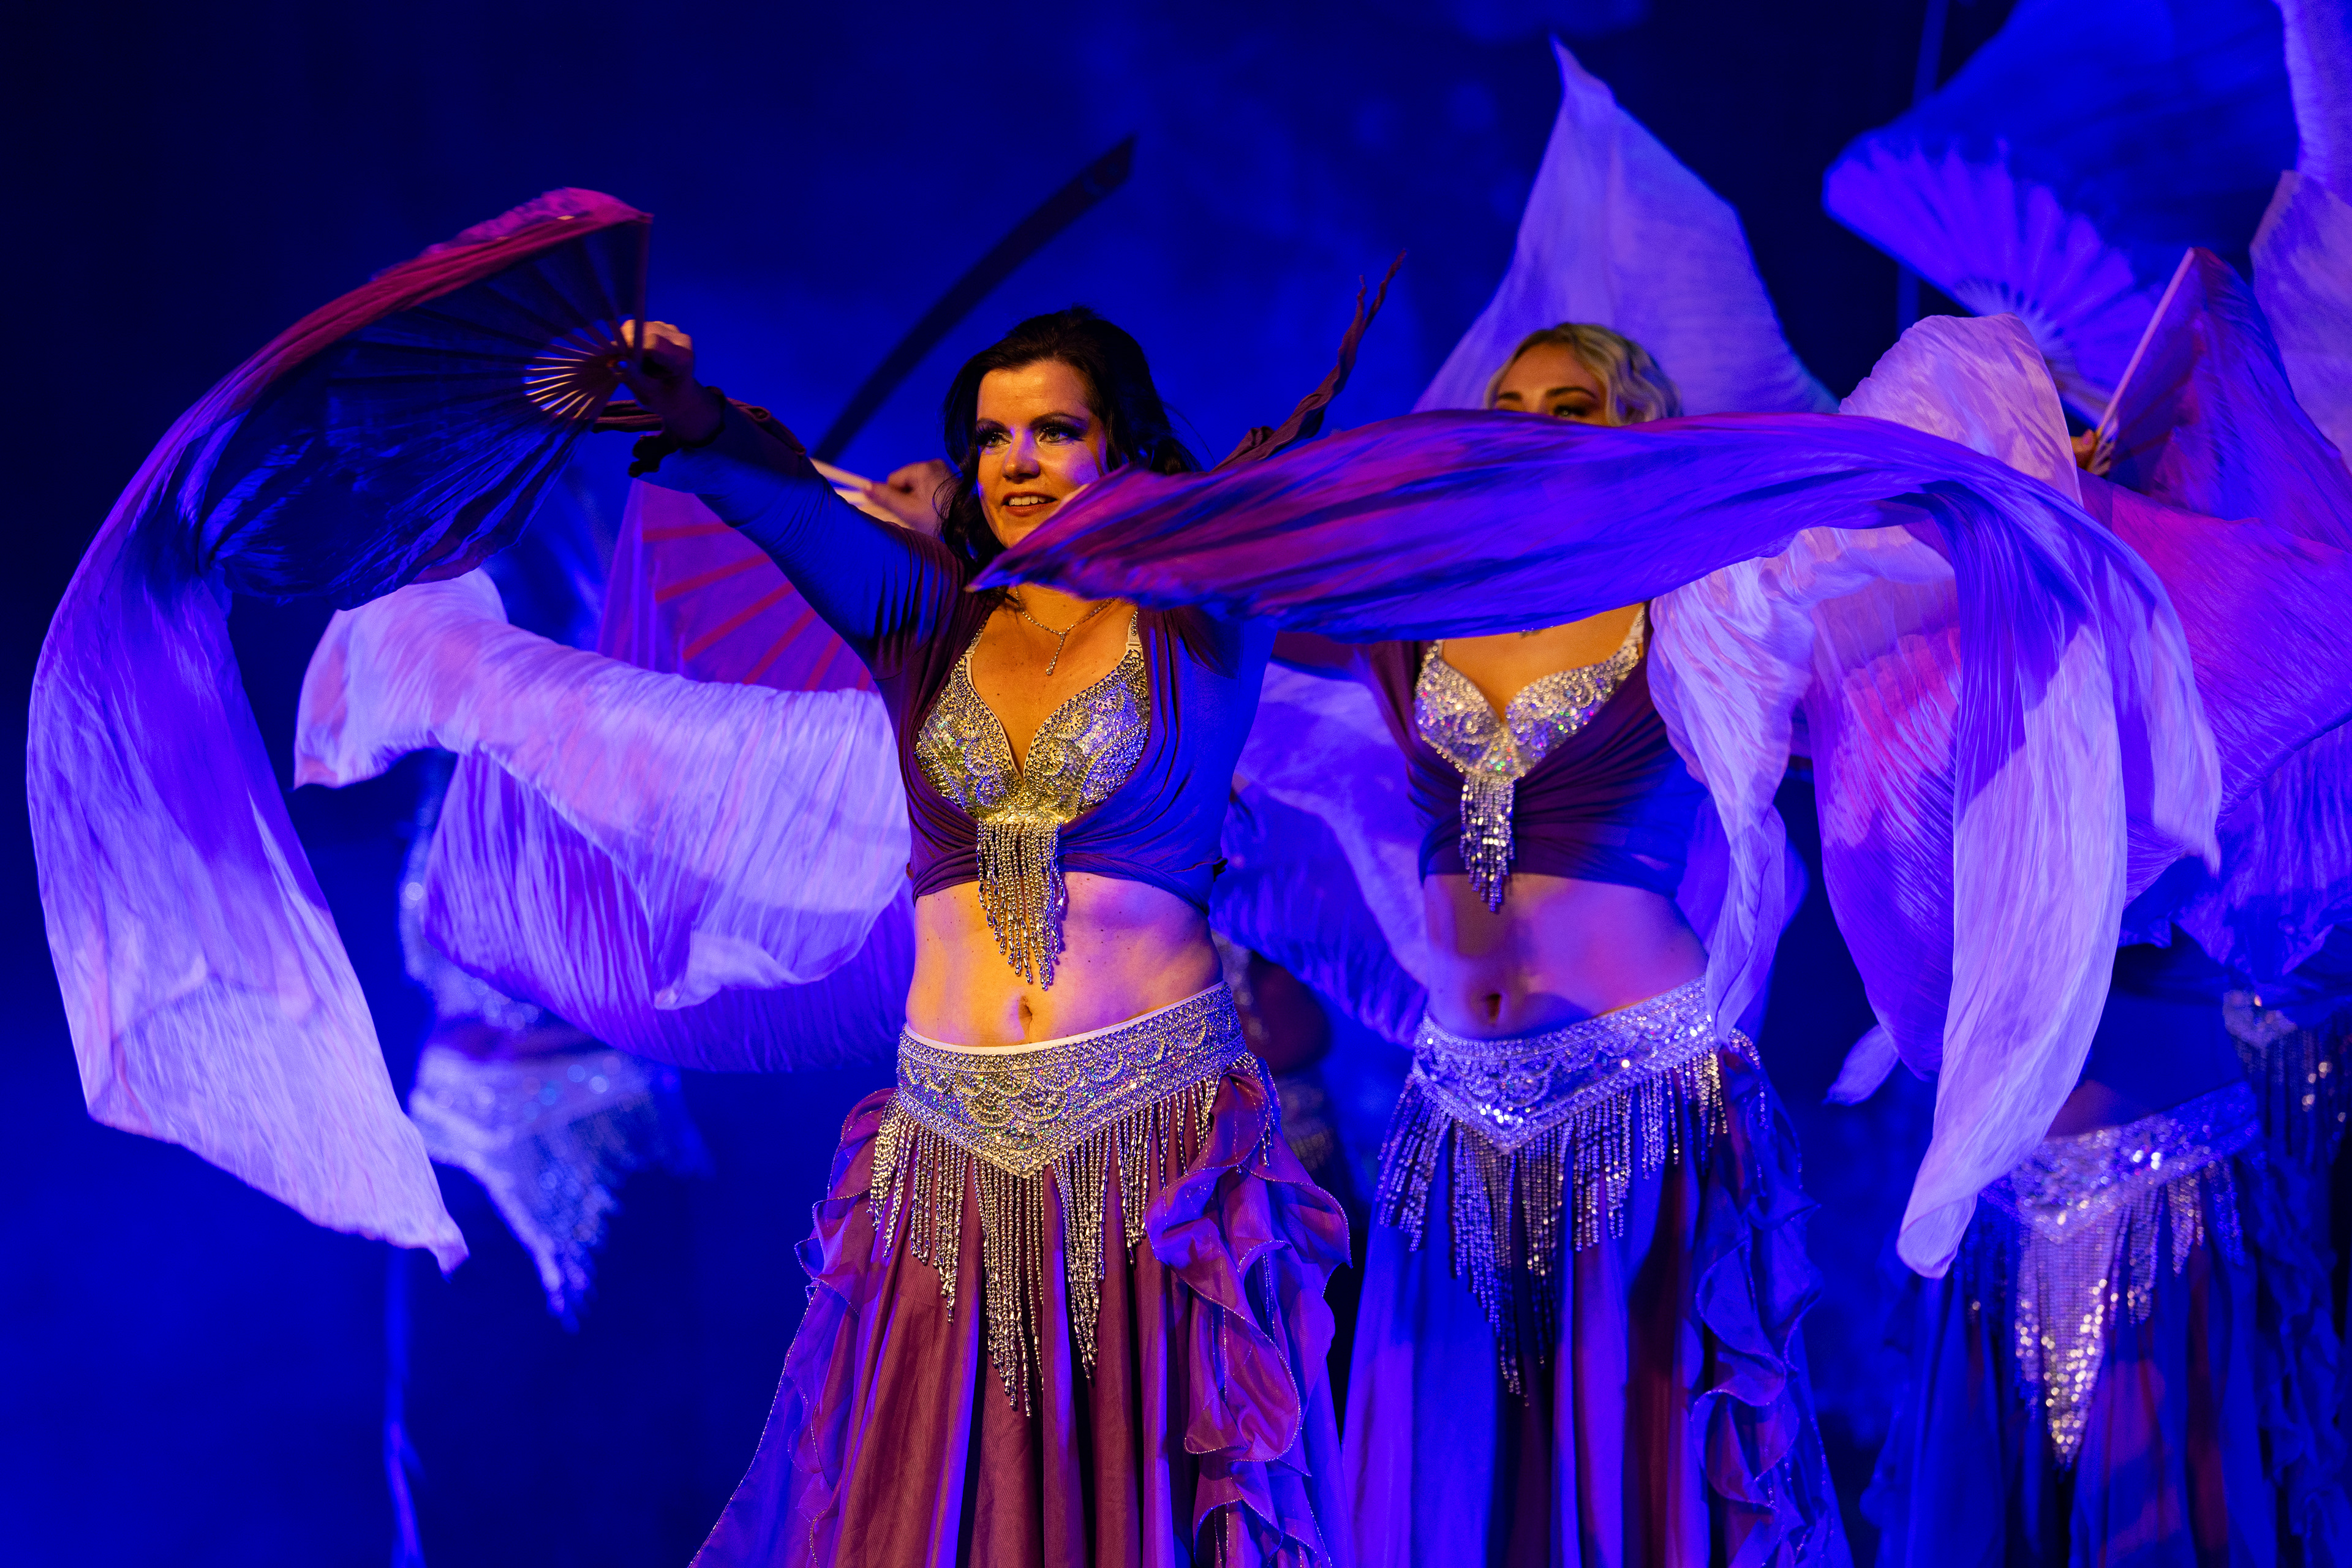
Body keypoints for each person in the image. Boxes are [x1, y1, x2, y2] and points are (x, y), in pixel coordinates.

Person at [609, 306, 1354, 1566]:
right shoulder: (928, 617)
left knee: (1141, 1511)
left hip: (1154, 1151)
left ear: (1122, 444)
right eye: (994, 437)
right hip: (949, 1155)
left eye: (1054, 430)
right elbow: (786, 508)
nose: (1017, 462)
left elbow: (1333, 517)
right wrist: (686, 411)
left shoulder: (1205, 612)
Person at [1274, 323, 1844, 1566]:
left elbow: (1877, 590)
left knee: (1633, 1466)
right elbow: (1240, 594)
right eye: (1510, 403)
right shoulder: (1419, 611)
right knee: (1458, 1481)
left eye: (1570, 405)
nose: (1530, 425)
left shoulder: (1703, 601)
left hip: (1641, 1102)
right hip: (1454, 1114)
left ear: (1633, 429)